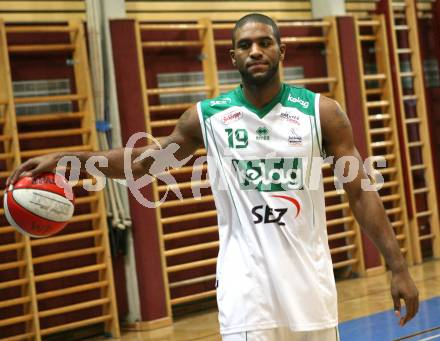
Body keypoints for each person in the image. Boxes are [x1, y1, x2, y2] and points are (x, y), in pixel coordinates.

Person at [7, 13, 418, 341]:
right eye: (245, 45)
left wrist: (397, 266)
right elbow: (142, 164)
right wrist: (69, 160)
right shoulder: (208, 117)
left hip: (310, 285)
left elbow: (361, 191)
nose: (255, 51)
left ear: (282, 50)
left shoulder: (321, 112)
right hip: (247, 290)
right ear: (232, 57)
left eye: (264, 42)